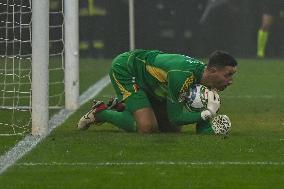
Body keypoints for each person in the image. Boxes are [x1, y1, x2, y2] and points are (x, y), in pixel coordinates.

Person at [77, 49, 237, 134]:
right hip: (127, 70)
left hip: (151, 81)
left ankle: (123, 107)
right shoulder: (181, 76)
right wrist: (207, 113)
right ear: (214, 70)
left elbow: (183, 123)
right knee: (147, 128)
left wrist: (210, 129)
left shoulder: (205, 80)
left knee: (171, 130)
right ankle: (101, 113)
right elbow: (176, 117)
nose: (230, 81)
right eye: (228, 75)